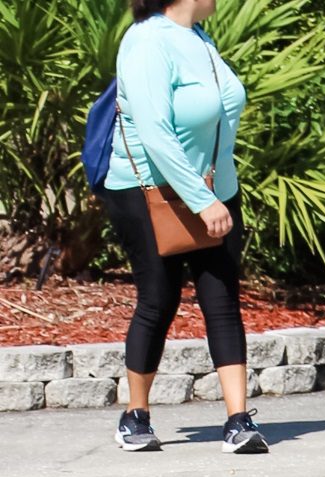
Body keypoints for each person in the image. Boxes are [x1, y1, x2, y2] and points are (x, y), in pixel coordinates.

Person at [100, 0, 265, 453]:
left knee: (222, 297)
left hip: (215, 189)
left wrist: (214, 194)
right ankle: (135, 415)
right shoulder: (148, 41)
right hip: (147, 190)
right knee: (159, 296)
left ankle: (237, 420)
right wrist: (200, 200)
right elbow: (155, 132)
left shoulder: (198, 38)